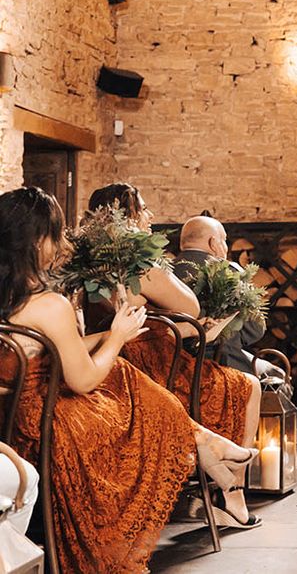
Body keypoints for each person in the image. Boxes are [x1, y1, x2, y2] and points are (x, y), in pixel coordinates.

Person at [0, 187, 259, 573]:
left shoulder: (15, 298)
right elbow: (84, 379)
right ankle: (206, 448)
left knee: (124, 375)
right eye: (56, 235)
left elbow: (44, 349)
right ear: (39, 241)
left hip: (11, 411)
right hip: (46, 420)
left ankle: (206, 444)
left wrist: (108, 335)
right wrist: (118, 336)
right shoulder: (48, 303)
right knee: (139, 407)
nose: (61, 244)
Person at [84, 184, 262, 519]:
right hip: (150, 366)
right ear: (128, 217)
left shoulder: (90, 261)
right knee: (247, 386)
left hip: (113, 354)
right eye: (144, 209)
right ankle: (233, 494)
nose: (150, 216)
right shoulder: (137, 264)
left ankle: (222, 477)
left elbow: (147, 322)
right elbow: (190, 307)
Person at [172, 215, 283, 380]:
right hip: (222, 363)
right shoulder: (229, 271)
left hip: (173, 363)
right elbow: (255, 329)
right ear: (213, 243)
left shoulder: (164, 271)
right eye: (224, 240)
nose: (225, 246)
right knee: (277, 374)